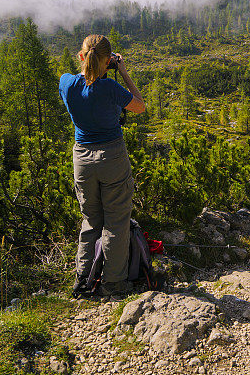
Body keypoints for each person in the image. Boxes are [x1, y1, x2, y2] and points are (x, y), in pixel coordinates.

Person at [58, 34, 146, 299]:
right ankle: (114, 283)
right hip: (112, 157)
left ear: (82, 56)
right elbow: (140, 107)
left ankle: (83, 280)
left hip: (82, 159)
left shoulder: (67, 83)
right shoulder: (111, 89)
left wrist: (94, 63)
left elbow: (79, 75)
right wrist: (123, 71)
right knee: (116, 222)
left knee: (91, 220)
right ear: (108, 61)